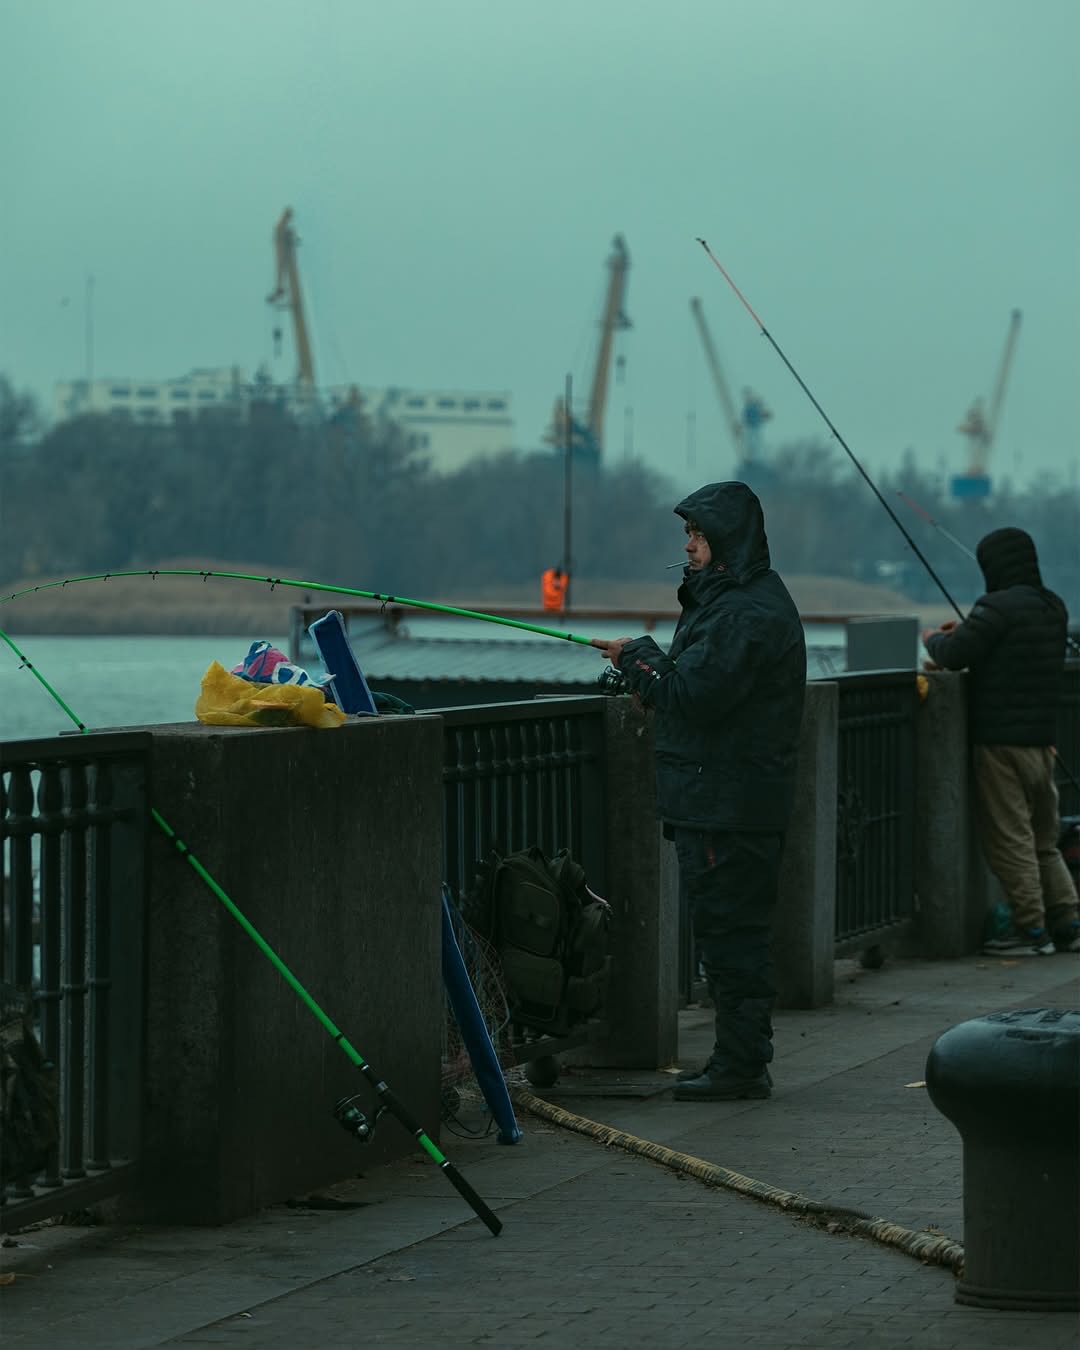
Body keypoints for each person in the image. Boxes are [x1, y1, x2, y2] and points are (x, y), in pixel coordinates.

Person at [592, 481, 806, 1100]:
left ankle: (740, 1067)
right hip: (730, 798)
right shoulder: (738, 601)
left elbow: (693, 693)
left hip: (727, 805)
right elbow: (696, 684)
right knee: (732, 932)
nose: (688, 546)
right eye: (688, 535)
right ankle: (740, 1060)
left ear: (725, 541)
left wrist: (638, 657)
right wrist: (647, 664)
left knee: (730, 934)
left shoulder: (744, 612)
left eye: (698, 535)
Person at [922, 527, 1079, 955]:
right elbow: (1006, 647)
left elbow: (953, 655)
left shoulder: (995, 607)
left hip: (1000, 744)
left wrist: (933, 638)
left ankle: (1030, 931)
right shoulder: (1053, 606)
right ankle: (1067, 920)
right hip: (1041, 743)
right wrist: (969, 631)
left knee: (1011, 839)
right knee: (1044, 839)